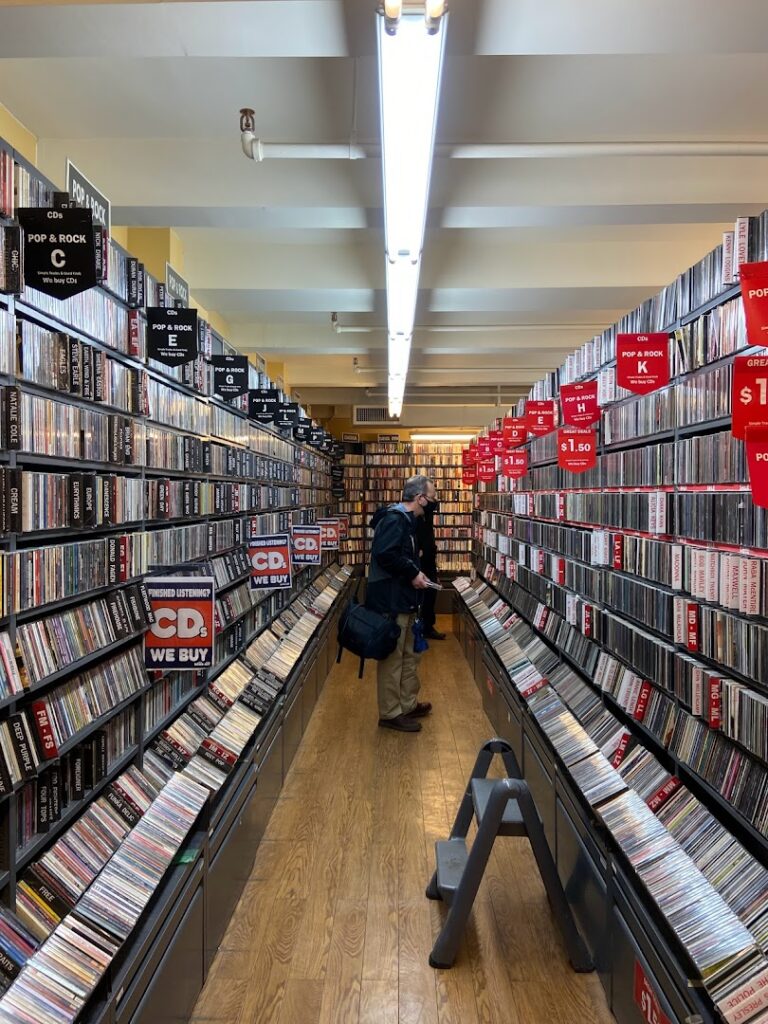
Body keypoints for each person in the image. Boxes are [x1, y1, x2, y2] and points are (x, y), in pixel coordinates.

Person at [366, 474, 436, 733]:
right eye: (432, 498)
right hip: (391, 600)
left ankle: (406, 704)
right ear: (419, 498)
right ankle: (390, 712)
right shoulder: (395, 520)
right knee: (393, 658)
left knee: (410, 654)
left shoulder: (407, 522)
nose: (433, 503)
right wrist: (413, 572)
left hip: (404, 598)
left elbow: (400, 555)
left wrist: (414, 567)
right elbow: (385, 555)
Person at [415, 491, 445, 640]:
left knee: (430, 594)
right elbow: (433, 504)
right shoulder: (416, 512)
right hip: (420, 559)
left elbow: (433, 505)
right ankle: (420, 627)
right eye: (431, 496)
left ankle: (427, 627)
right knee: (421, 595)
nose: (434, 500)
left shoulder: (426, 511)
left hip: (429, 557)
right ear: (420, 498)